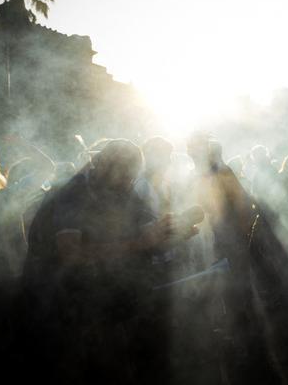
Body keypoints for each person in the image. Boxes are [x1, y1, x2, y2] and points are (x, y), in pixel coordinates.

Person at [22, 139, 195, 384]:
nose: (130, 183)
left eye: (132, 178)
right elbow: (72, 254)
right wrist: (141, 243)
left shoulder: (122, 190)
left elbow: (145, 228)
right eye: (126, 177)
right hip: (56, 306)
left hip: (99, 303)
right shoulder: (73, 194)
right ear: (106, 169)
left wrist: (170, 233)